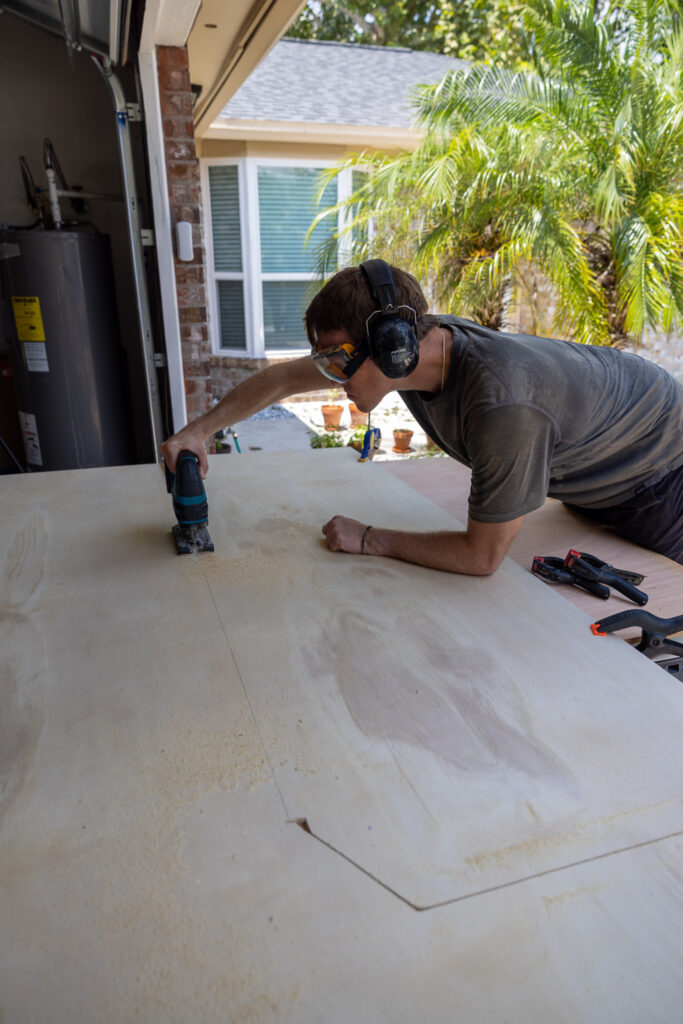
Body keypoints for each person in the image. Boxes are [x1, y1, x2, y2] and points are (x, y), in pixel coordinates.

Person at [160, 261, 683, 571]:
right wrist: (198, 432)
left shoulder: (503, 407)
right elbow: (282, 379)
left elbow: (482, 558)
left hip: (661, 472)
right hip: (603, 454)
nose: (328, 374)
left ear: (392, 349)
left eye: (337, 359)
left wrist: (371, 538)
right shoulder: (414, 350)